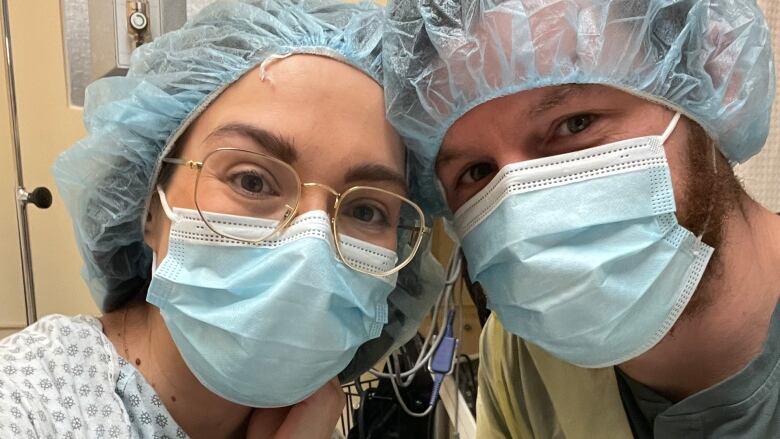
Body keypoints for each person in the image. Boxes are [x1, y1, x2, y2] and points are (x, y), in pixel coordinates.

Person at [0, 1, 444, 438]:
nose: (312, 248)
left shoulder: (310, 420)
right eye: (251, 181)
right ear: (149, 204)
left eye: (365, 210)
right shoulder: (29, 406)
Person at [383, 0, 780, 437]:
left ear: (710, 74)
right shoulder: (522, 358)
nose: (522, 203)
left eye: (575, 124)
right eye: (476, 173)